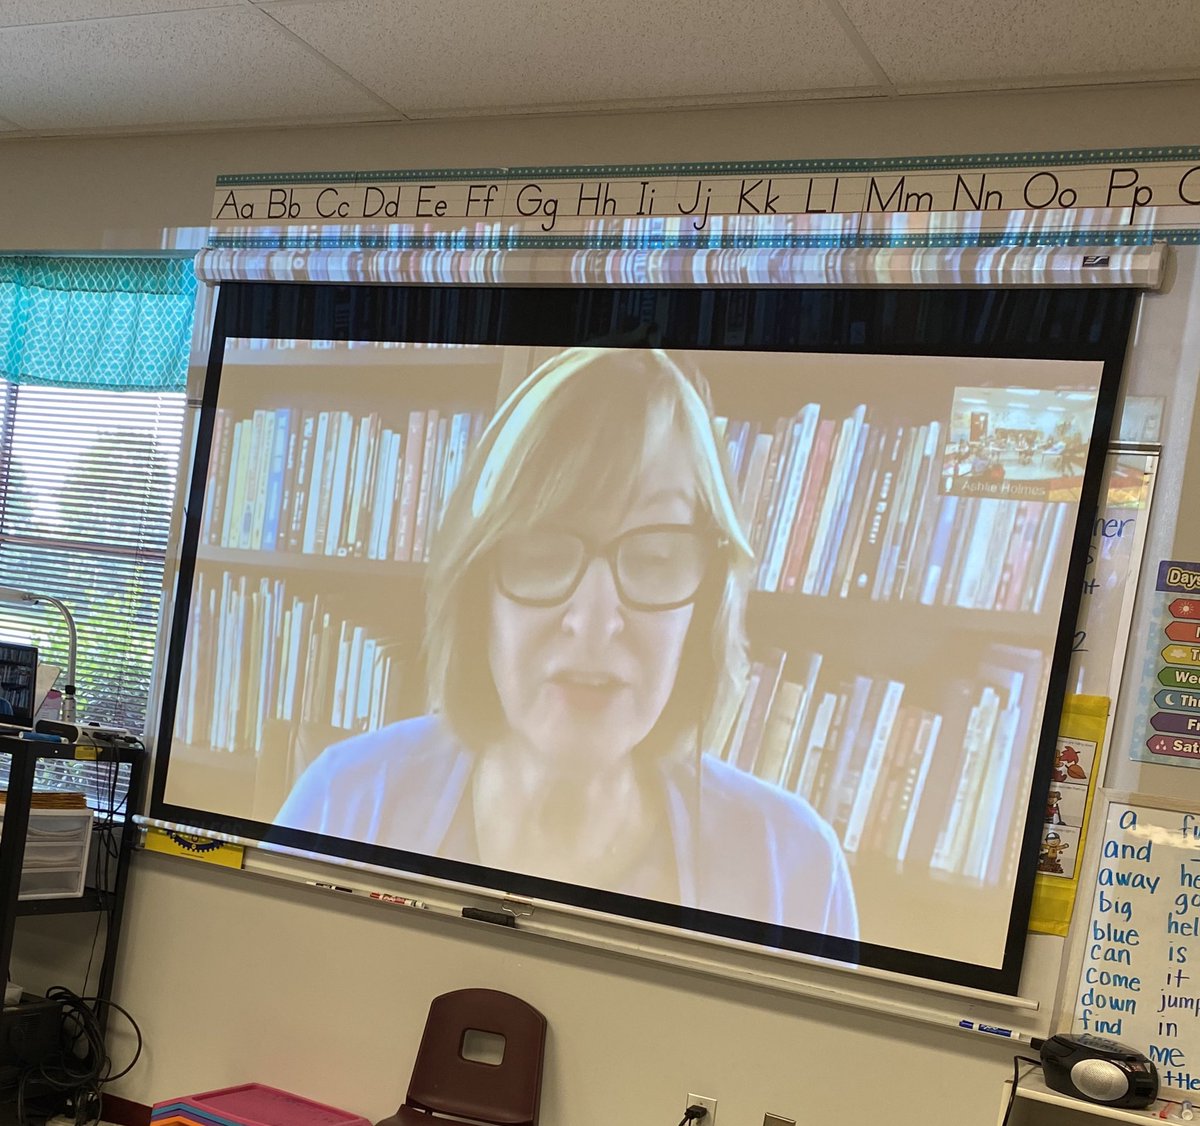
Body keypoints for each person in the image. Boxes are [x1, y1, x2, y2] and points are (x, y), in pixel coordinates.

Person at [275, 347, 857, 940]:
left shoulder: (795, 870)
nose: (595, 621)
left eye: (654, 557)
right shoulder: (341, 809)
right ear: (480, 592)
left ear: (704, 606)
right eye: (544, 552)